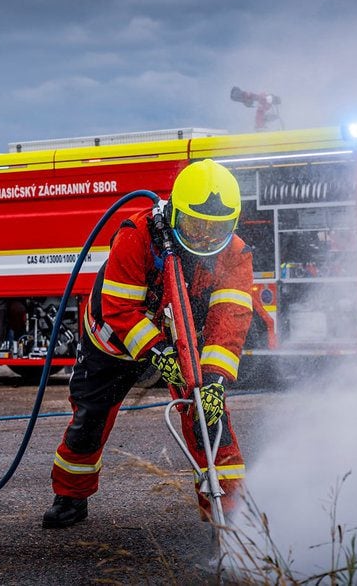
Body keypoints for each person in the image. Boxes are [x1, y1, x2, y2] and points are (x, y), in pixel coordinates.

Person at [43, 159, 254, 529]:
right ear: (174, 213)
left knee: (210, 418)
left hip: (181, 342)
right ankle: (70, 497)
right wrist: (156, 350)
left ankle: (228, 512)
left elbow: (228, 323)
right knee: (90, 421)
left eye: (217, 228)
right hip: (113, 344)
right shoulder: (136, 236)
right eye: (195, 224)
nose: (205, 237)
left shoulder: (234, 254)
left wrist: (215, 380)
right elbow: (120, 309)